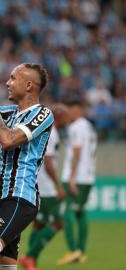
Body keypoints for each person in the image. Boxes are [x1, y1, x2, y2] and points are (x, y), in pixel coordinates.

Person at [0, 63, 54, 270]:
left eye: (12, 78)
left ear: (28, 85)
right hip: (1, 196)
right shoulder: (13, 112)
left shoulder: (42, 113)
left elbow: (9, 140)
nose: (7, 83)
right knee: (5, 264)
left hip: (20, 196)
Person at [18, 104, 69, 270]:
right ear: (59, 116)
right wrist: (59, 186)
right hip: (47, 188)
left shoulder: (43, 129)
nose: (67, 120)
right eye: (65, 115)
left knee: (39, 223)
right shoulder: (52, 132)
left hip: (36, 183)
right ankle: (31, 256)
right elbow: (48, 163)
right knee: (58, 223)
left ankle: (29, 259)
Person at [56, 100, 97, 265]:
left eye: (69, 110)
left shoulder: (76, 127)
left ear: (77, 110)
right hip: (87, 176)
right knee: (80, 213)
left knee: (66, 213)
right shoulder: (88, 126)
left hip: (77, 177)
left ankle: (73, 250)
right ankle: (80, 251)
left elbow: (77, 152)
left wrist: (72, 178)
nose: (67, 113)